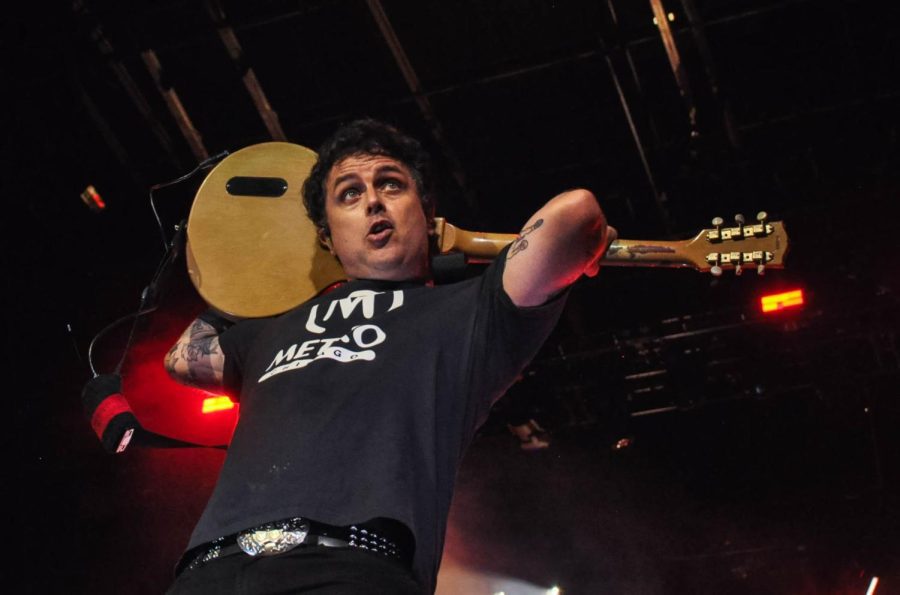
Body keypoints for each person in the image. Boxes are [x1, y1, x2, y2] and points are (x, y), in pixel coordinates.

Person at [164, 119, 613, 594]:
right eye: (349, 194)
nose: (373, 200)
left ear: (426, 211)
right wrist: (250, 278)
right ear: (326, 236)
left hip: (354, 570)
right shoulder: (271, 327)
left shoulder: (468, 311)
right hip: (210, 573)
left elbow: (575, 214)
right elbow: (182, 358)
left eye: (391, 185)